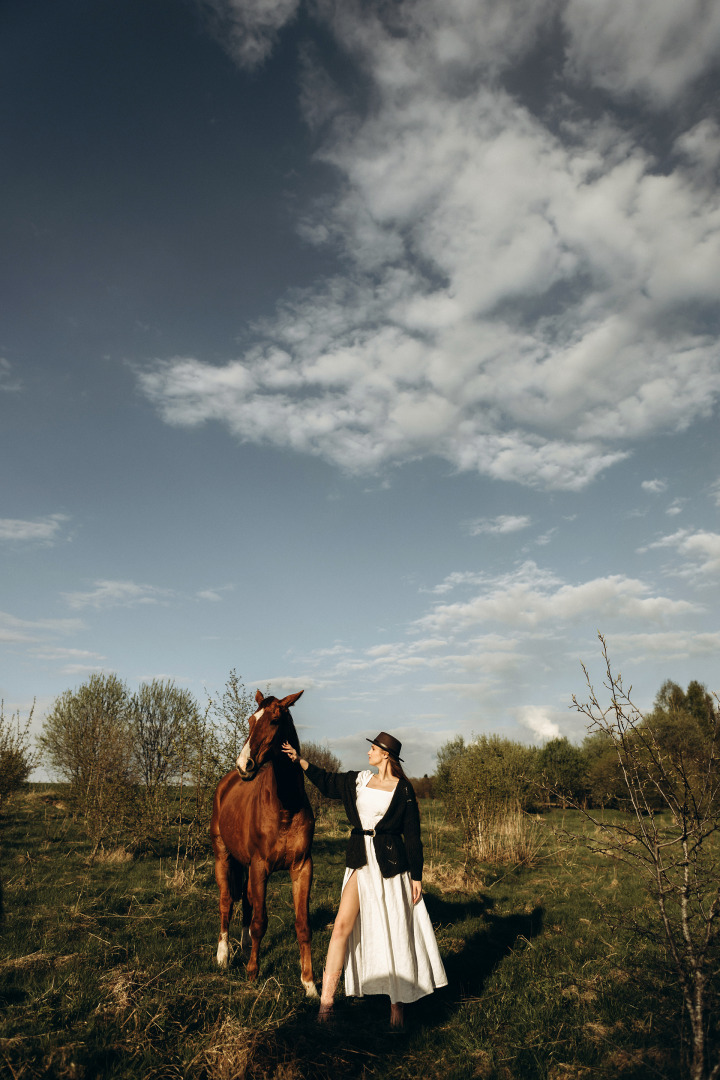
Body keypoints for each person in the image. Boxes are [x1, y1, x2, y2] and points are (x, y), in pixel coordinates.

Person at [281, 731, 447, 1028]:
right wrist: (301, 761)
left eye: (373, 749)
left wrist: (417, 875)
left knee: (393, 931)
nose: (368, 753)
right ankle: (326, 1005)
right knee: (341, 927)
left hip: (391, 867)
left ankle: (397, 1004)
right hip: (360, 861)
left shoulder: (404, 790)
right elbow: (328, 782)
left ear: (386, 755)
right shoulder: (358, 781)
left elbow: (412, 836)